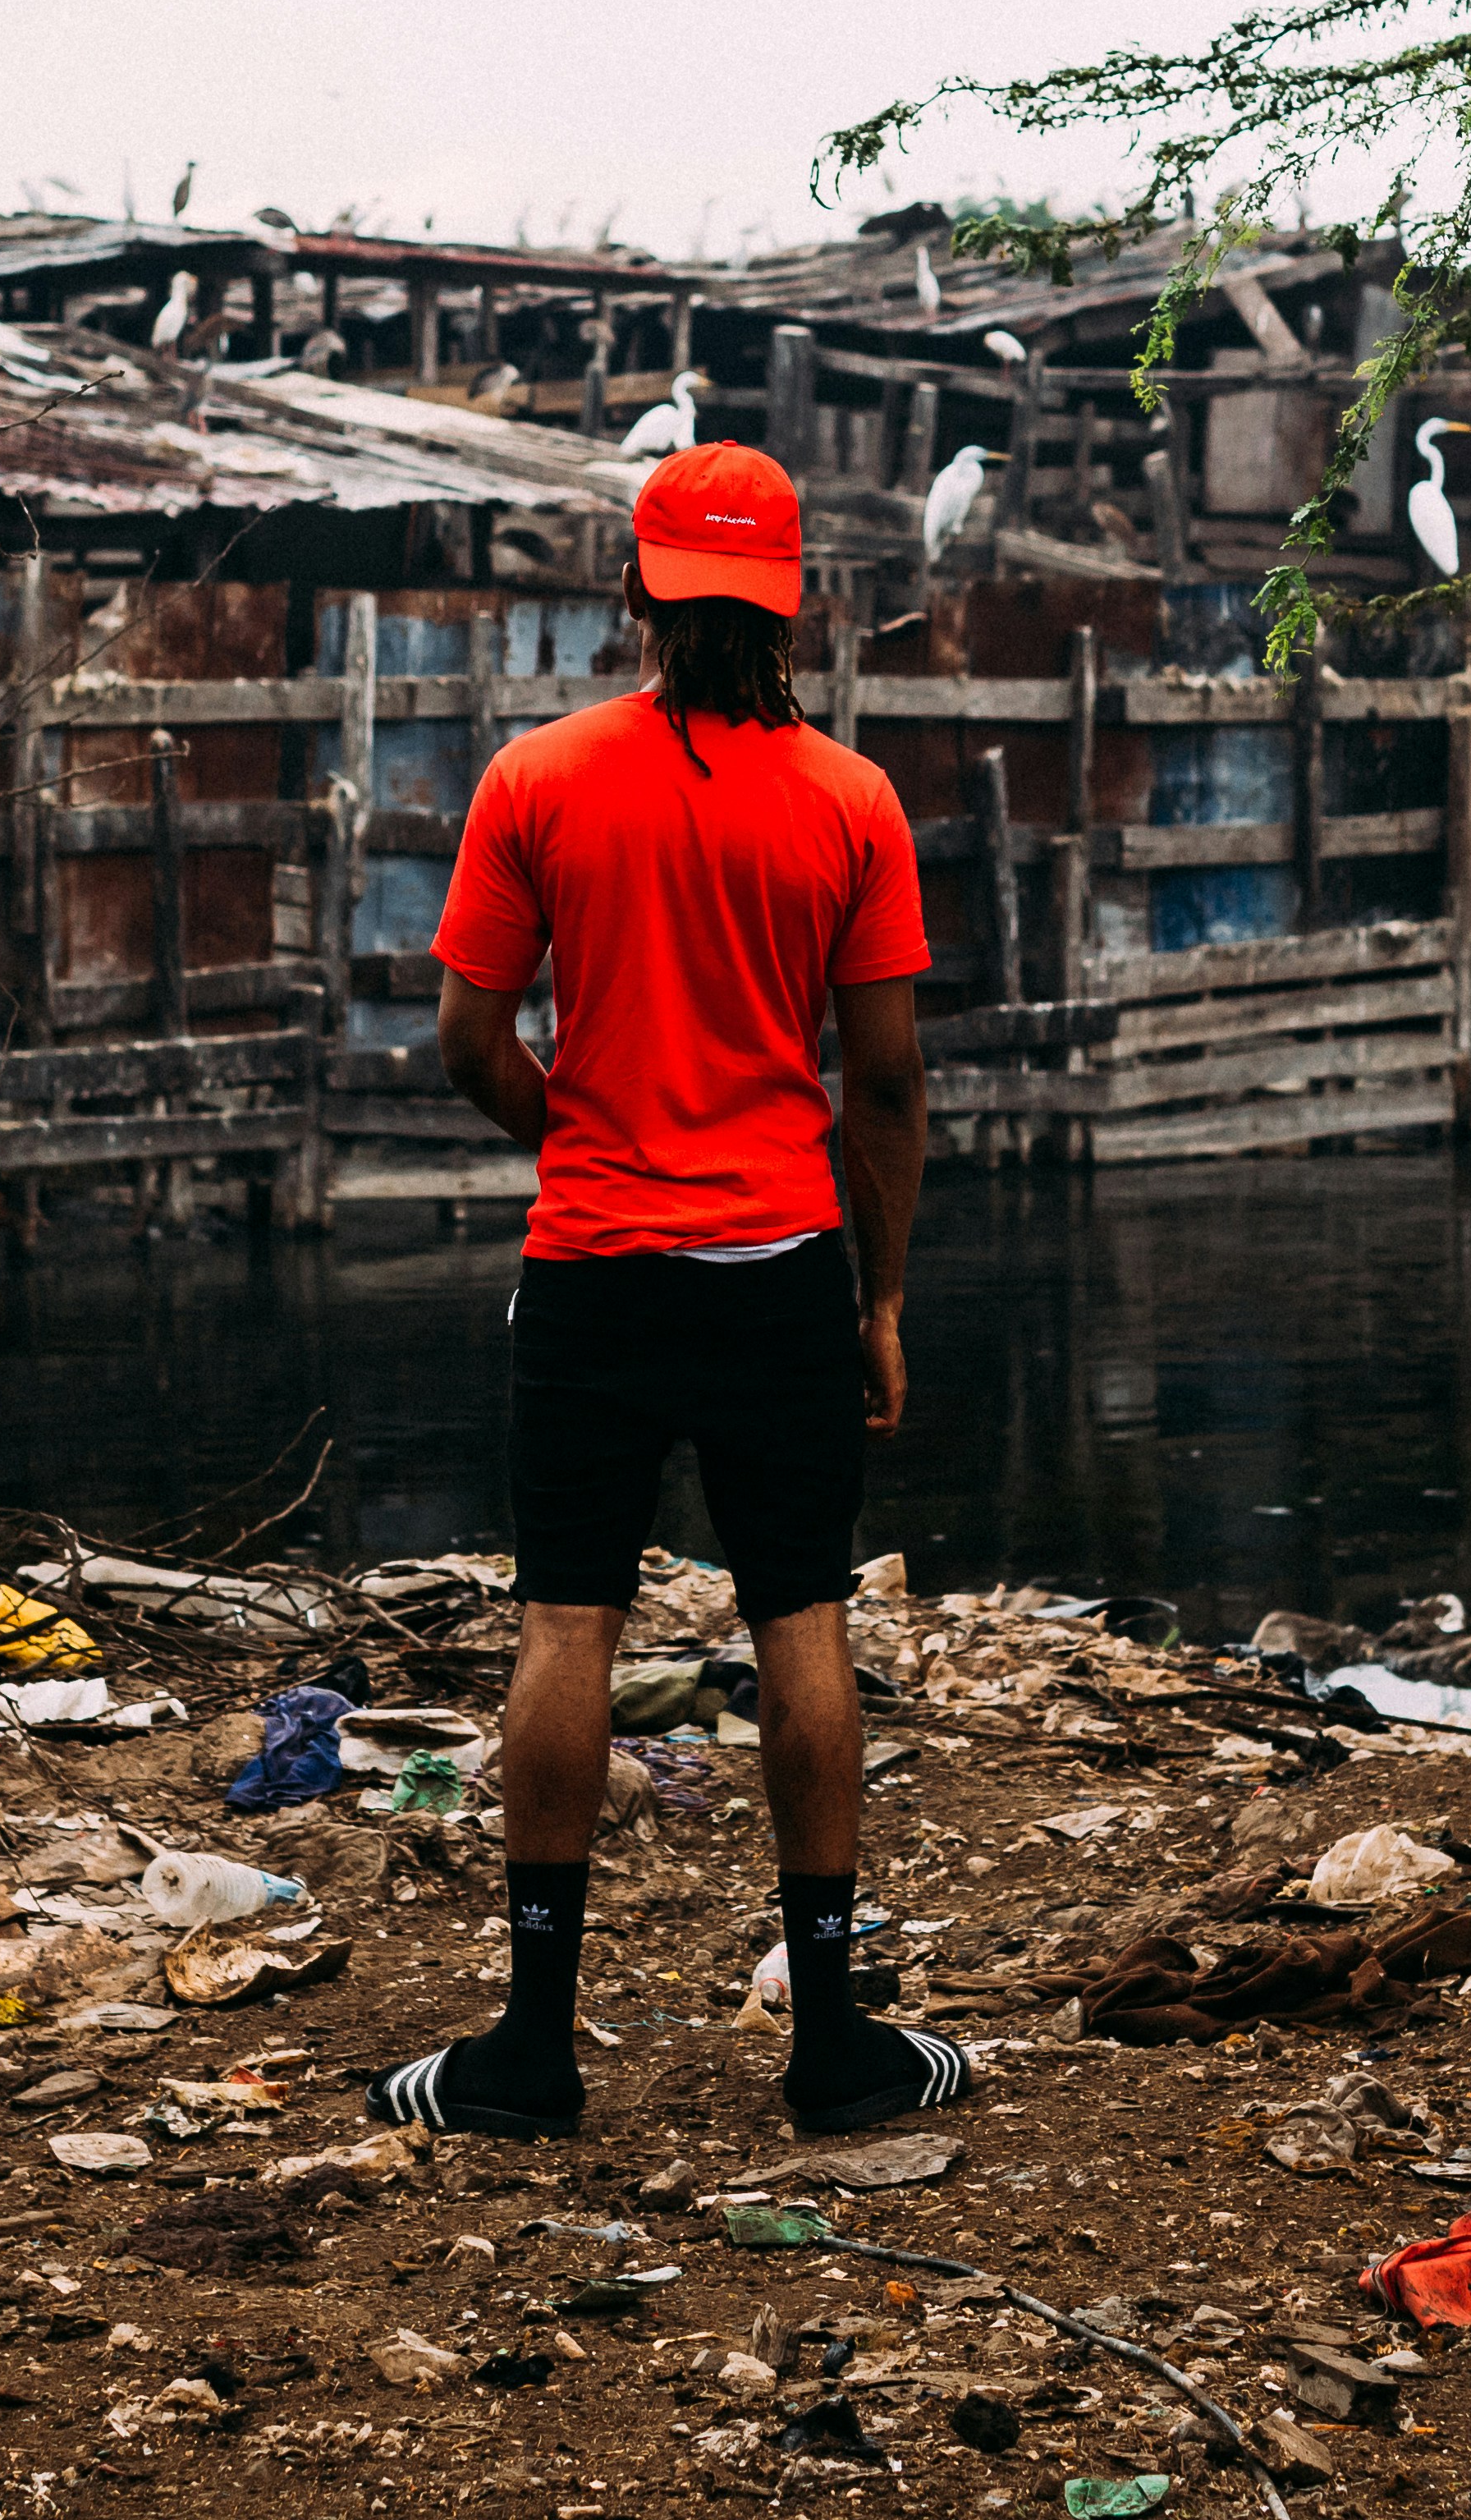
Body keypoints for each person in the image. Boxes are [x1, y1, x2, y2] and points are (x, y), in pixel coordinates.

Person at [365, 437, 974, 2143]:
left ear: (635, 594)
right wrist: (881, 1296)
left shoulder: (538, 778)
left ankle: (531, 2052)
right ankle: (837, 2046)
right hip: (782, 1265)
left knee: (569, 1620)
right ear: (790, 609)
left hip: (595, 1270)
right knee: (803, 1619)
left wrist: (582, 1132)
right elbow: (891, 1084)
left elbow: (469, 1040)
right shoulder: (853, 802)